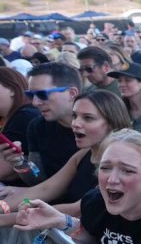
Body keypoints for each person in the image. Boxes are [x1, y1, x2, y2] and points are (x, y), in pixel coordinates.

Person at [14, 128, 141, 244]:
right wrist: (61, 221)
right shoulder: (95, 203)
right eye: (105, 168)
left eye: (127, 170)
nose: (112, 180)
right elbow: (96, 238)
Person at [0, 90, 131, 210]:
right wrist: (3, 207)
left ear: (112, 122)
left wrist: (10, 216)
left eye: (88, 118)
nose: (75, 123)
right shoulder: (82, 155)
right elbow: (44, 189)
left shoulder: (122, 160)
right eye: (74, 116)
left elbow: (78, 209)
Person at [1, 63, 81, 187]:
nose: (35, 102)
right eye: (31, 95)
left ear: (71, 93)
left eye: (42, 94)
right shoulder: (37, 126)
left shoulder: (100, 125)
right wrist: (19, 162)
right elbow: (37, 176)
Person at [0, 67, 38, 183]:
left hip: (26, 195)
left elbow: (2, 170)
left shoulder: (24, 117)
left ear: (12, 89)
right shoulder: (11, 116)